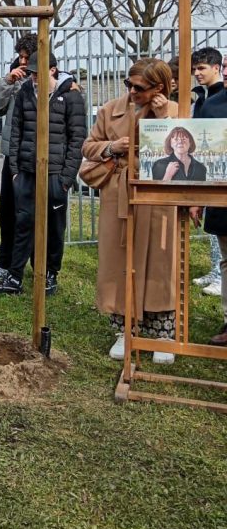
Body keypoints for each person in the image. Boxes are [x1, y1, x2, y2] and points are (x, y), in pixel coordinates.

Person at [80, 58, 178, 364]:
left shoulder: (176, 110)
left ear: (159, 88)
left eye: (139, 87)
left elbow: (184, 149)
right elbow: (88, 146)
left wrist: (163, 118)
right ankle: (125, 330)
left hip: (159, 192)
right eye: (128, 85)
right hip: (118, 191)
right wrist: (112, 147)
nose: (132, 92)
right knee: (118, 259)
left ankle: (163, 335)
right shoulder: (110, 109)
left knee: (161, 261)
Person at [0, 51, 86, 297]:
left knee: (54, 226)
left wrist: (66, 179)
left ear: (52, 70)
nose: (33, 77)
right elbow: (16, 131)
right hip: (26, 172)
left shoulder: (71, 96)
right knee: (23, 223)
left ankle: (50, 273)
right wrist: (15, 171)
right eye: (31, 73)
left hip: (55, 174)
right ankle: (15, 276)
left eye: (37, 72)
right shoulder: (25, 92)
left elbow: (77, 139)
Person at [0, 33, 39, 282]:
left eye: (27, 57)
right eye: (20, 57)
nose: (23, 62)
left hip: (38, 157)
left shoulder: (53, 79)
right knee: (8, 211)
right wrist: (7, 81)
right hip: (12, 155)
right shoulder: (14, 77)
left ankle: (41, 267)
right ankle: (4, 263)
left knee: (35, 214)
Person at [192, 52, 227, 338]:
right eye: (226, 66)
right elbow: (203, 158)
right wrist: (197, 199)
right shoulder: (212, 105)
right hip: (221, 198)